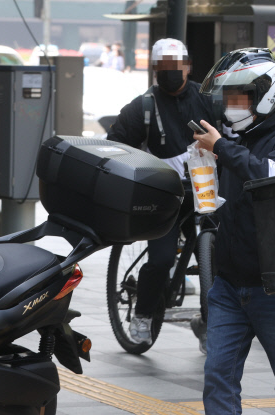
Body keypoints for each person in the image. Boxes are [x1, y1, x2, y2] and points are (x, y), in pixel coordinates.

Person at [194, 48, 275, 415]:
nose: (231, 105)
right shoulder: (235, 141)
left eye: (239, 97)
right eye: (228, 97)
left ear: (265, 94)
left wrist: (224, 150)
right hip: (228, 285)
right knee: (218, 378)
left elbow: (274, 177)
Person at [107, 38, 222, 349]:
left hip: (204, 193)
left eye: (178, 65)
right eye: (165, 67)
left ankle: (210, 322)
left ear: (188, 66)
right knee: (160, 260)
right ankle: (142, 315)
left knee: (216, 258)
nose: (173, 72)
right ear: (156, 70)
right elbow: (114, 146)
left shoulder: (208, 98)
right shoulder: (141, 107)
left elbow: (232, 137)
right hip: (164, 197)